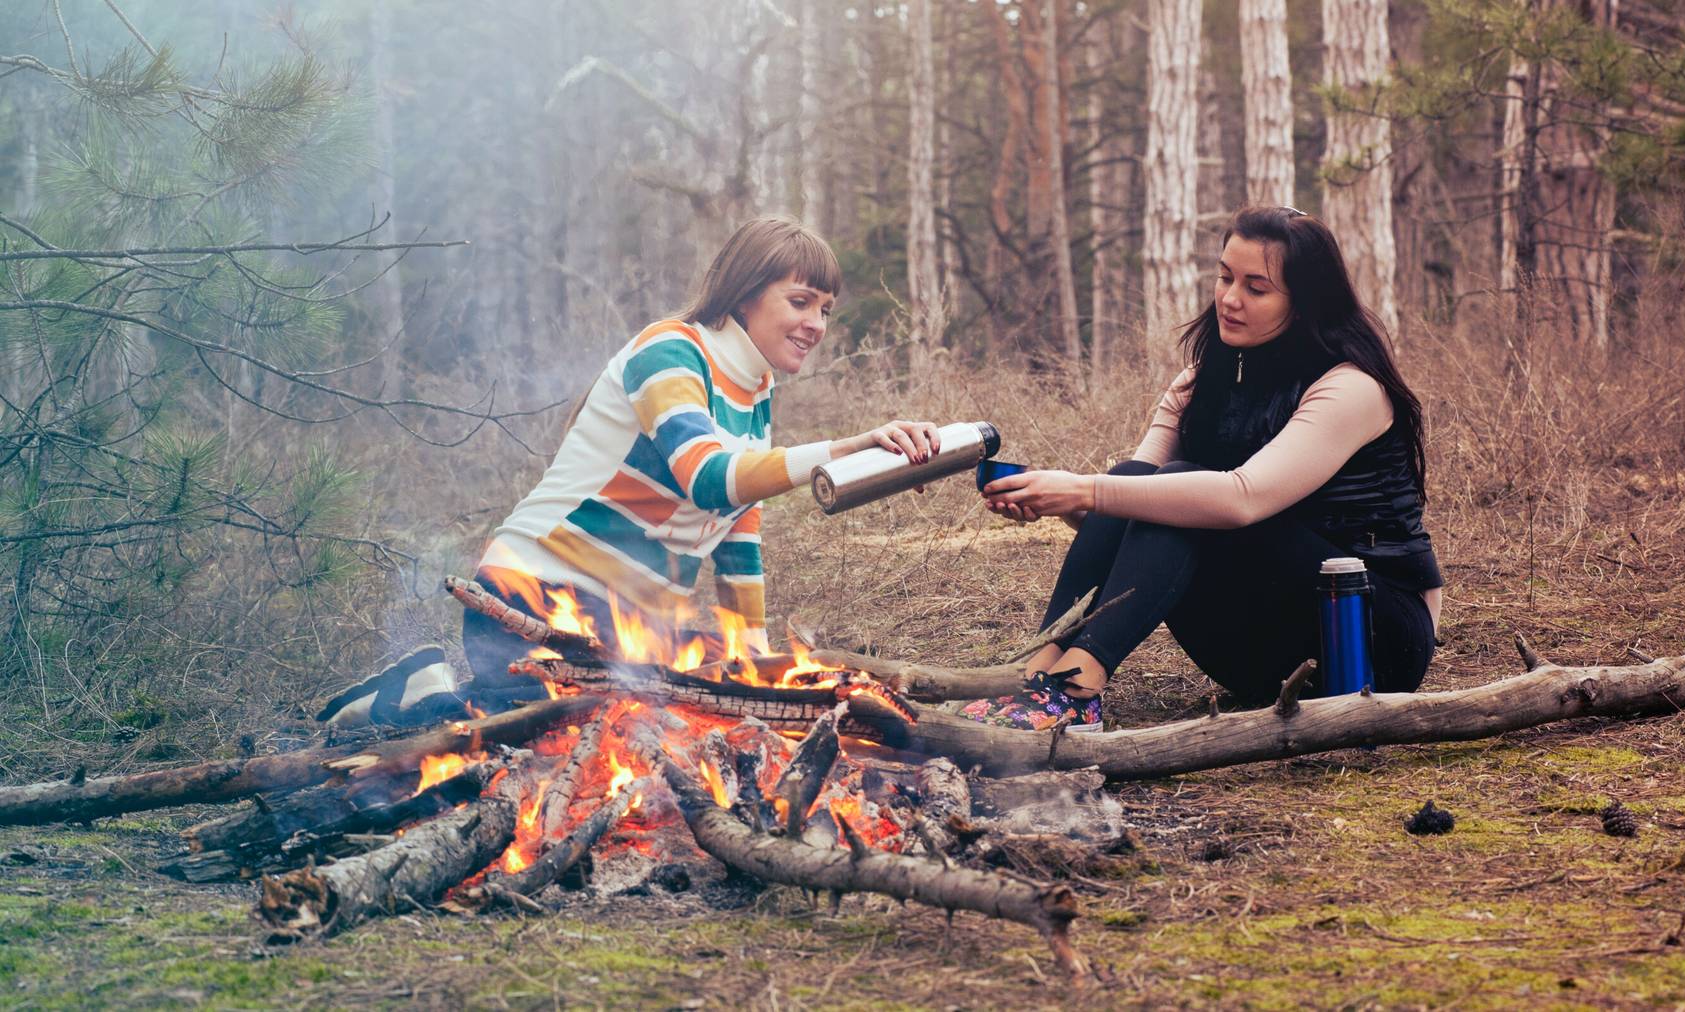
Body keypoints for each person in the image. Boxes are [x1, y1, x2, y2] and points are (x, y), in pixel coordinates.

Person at [961, 205, 1442, 731]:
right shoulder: (1198, 382)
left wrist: (1082, 490)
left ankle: (1077, 691)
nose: (1229, 299)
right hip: (1262, 648)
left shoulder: (1350, 388)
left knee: (1171, 491)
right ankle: (1035, 678)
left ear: (1305, 303)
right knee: (1136, 479)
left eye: (1256, 288)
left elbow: (1241, 498)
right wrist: (1055, 500)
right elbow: (1128, 507)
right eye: (1224, 276)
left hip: (1368, 640)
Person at [458, 216, 939, 712]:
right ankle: (420, 698)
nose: (816, 324)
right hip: (535, 599)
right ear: (744, 293)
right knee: (589, 729)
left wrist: (755, 662)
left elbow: (739, 532)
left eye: (826, 310)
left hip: (626, 628)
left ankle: (444, 698)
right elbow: (708, 480)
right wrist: (841, 450)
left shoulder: (756, 389)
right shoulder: (670, 350)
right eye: (800, 302)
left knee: (734, 696)